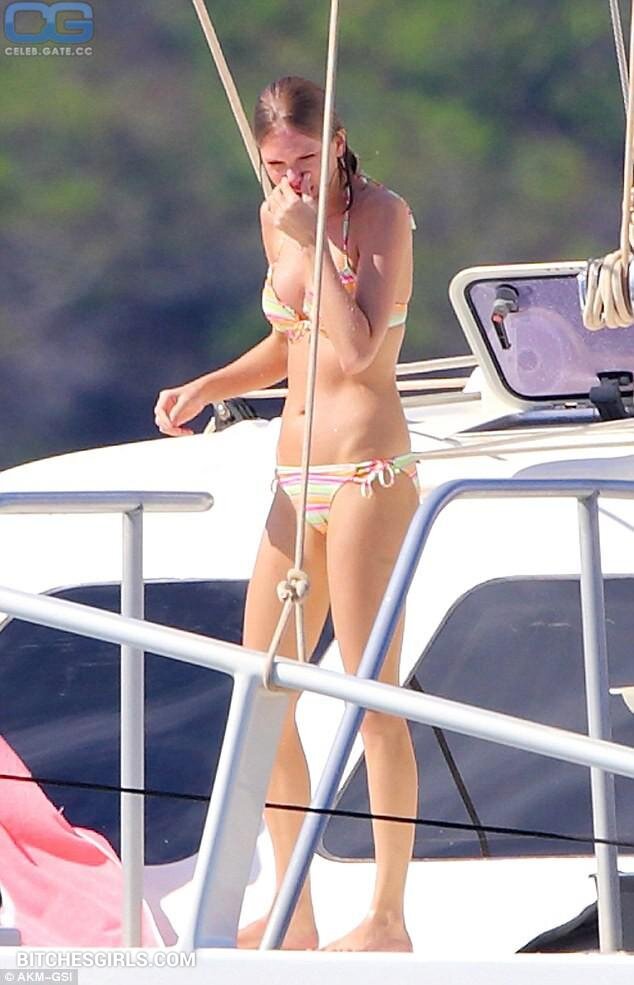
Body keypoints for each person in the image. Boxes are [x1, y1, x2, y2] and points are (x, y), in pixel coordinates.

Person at [154, 75, 419, 952]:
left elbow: (358, 346)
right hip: (293, 476)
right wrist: (209, 384)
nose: (291, 178)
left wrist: (313, 238)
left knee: (373, 699)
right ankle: (294, 908)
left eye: (305, 158)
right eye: (276, 165)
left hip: (366, 472)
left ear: (337, 141)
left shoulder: (381, 216)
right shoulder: (276, 217)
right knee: (259, 689)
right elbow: (288, 340)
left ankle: (387, 917)